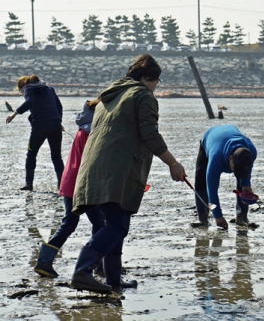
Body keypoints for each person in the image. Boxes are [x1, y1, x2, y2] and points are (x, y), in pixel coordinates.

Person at [70, 54, 186, 294]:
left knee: (114, 223)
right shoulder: (143, 95)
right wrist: (173, 163)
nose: (156, 85)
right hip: (117, 170)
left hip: (93, 168)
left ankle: (113, 280)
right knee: (118, 226)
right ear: (146, 77)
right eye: (156, 80)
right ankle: (82, 271)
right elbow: (150, 135)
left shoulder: (108, 96)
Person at [34, 98, 107, 279]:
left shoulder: (84, 127)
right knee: (96, 224)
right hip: (83, 184)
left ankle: (46, 261)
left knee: (76, 223)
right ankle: (95, 263)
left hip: (72, 181)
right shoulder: (92, 131)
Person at [5, 75, 64, 191]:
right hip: (55, 124)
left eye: (20, 90)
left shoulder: (29, 88)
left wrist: (14, 114)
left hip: (40, 125)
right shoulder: (49, 89)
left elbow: (29, 102)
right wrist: (59, 121)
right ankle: (61, 185)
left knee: (31, 154)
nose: (22, 92)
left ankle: (29, 184)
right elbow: (59, 106)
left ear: (23, 85)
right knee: (57, 156)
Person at [194, 124, 257, 229]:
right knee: (201, 180)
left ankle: (242, 217)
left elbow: (247, 170)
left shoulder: (251, 152)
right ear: (230, 158)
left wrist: (246, 184)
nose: (237, 172)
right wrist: (218, 216)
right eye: (236, 169)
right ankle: (203, 218)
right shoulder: (216, 158)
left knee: (241, 181)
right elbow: (212, 190)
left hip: (230, 133)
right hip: (210, 137)